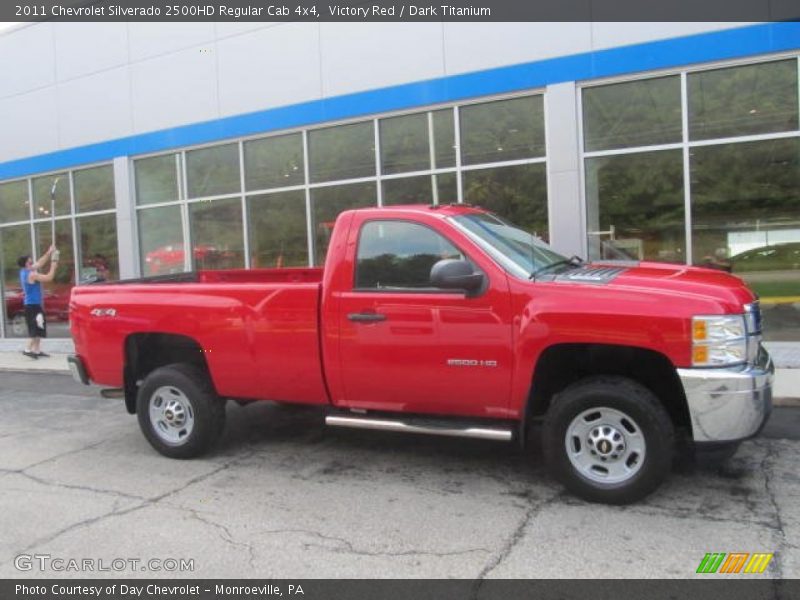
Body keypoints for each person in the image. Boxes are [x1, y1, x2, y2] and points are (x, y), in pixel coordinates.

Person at [17, 246, 59, 359]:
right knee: (35, 327)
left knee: (39, 326)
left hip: (34, 305)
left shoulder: (25, 270)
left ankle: (36, 351)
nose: (31, 261)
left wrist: (49, 252)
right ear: (26, 263)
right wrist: (53, 266)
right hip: (32, 306)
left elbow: (40, 263)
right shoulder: (31, 274)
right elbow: (49, 277)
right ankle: (27, 349)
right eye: (29, 260)